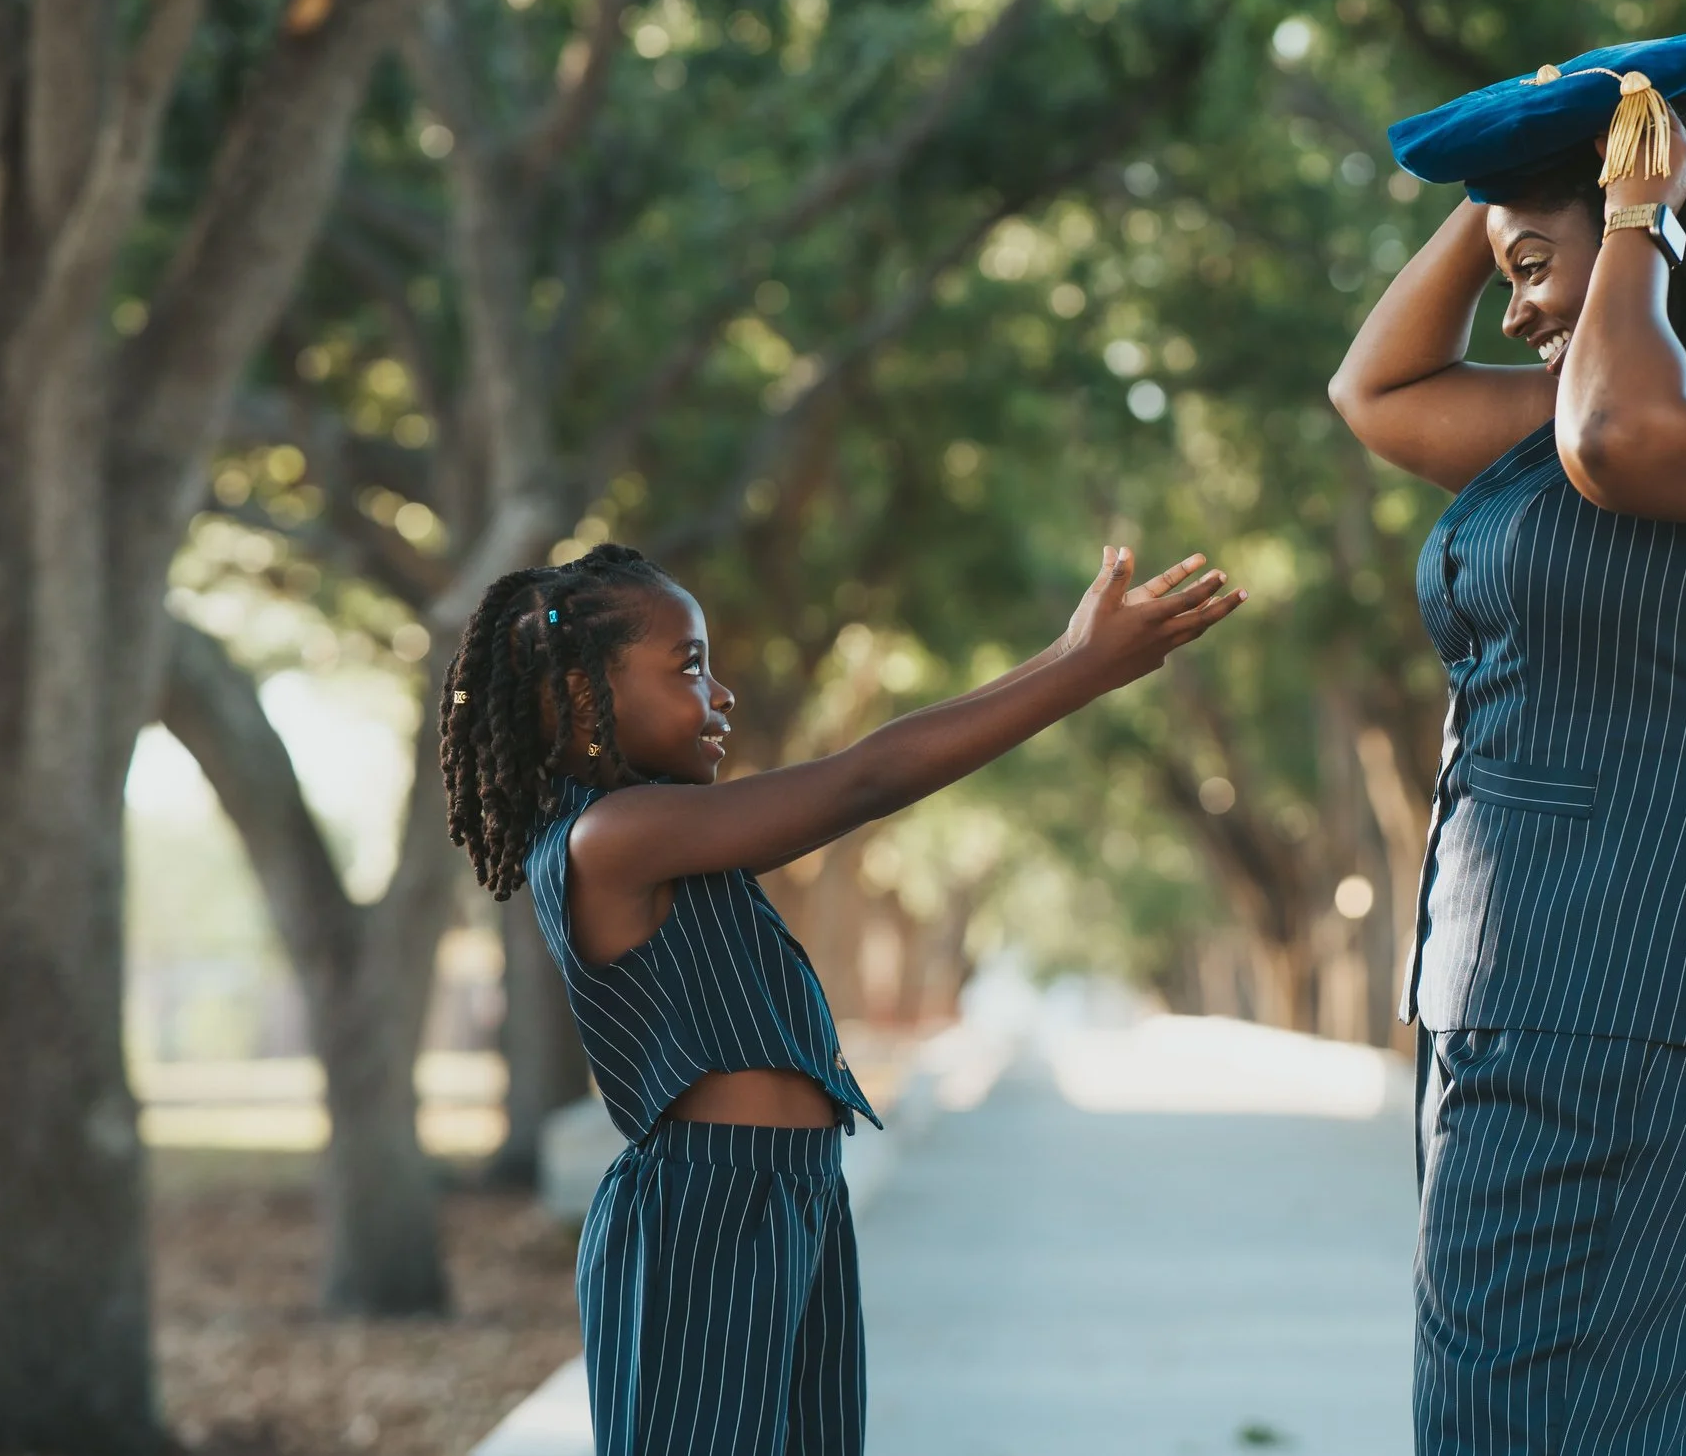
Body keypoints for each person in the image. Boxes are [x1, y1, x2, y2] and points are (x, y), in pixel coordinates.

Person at [1332, 33, 1686, 1454]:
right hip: (1507, 991)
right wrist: (1511, 183)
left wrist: (1631, 210)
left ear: (1665, 217)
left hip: (1678, 989)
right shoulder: (1569, 409)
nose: (1517, 309)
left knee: (1549, 1425)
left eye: (1535, 269)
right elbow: (1379, 394)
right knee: (1540, 1422)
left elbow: (1626, 434)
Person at [438, 540, 1243, 1455]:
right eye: (690, 666)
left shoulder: (666, 827)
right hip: (706, 1206)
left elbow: (872, 766)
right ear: (585, 697)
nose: (722, 694)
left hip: (794, 1190)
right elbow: (867, 776)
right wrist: (1079, 674)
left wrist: (1069, 651)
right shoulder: (614, 835)